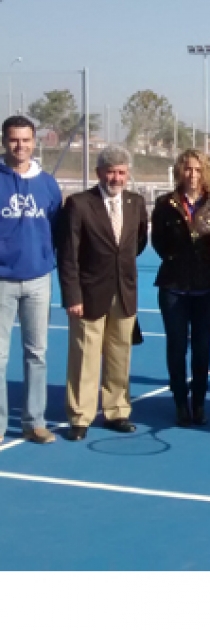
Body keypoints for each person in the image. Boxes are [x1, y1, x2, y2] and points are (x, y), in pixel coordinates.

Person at [57, 146, 148, 441]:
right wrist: (73, 296)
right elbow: (68, 255)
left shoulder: (136, 203)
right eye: (110, 171)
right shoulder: (79, 204)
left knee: (120, 355)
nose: (116, 177)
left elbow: (138, 243)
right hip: (89, 293)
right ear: (99, 173)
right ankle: (80, 416)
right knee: (84, 357)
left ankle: (117, 411)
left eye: (121, 172)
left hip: (124, 292)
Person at [150, 149, 210, 427]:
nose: (192, 175)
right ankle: (180, 402)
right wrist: (178, 262)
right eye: (187, 169)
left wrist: (200, 265)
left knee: (202, 347)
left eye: (197, 169)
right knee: (176, 346)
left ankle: (199, 403)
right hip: (173, 286)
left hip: (207, 286)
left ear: (205, 172)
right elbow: (158, 242)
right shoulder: (164, 204)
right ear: (179, 172)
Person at [0, 115, 61, 445]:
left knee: (36, 353)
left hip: (38, 280)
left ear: (34, 142)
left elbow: (55, 227)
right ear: (4, 141)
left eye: (25, 139)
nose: (19, 145)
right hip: (1, 281)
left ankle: (34, 421)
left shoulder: (47, 184)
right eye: (13, 139)